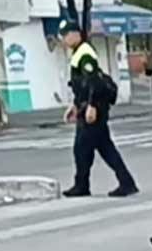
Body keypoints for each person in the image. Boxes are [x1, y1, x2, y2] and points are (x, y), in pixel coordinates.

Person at [57, 21, 136, 199]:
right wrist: (75, 105)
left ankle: (82, 185)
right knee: (105, 148)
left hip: (93, 109)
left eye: (65, 35)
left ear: (75, 34)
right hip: (87, 107)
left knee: (82, 149)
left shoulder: (84, 53)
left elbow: (93, 81)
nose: (64, 39)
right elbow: (81, 85)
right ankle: (126, 182)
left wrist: (91, 106)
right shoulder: (78, 53)